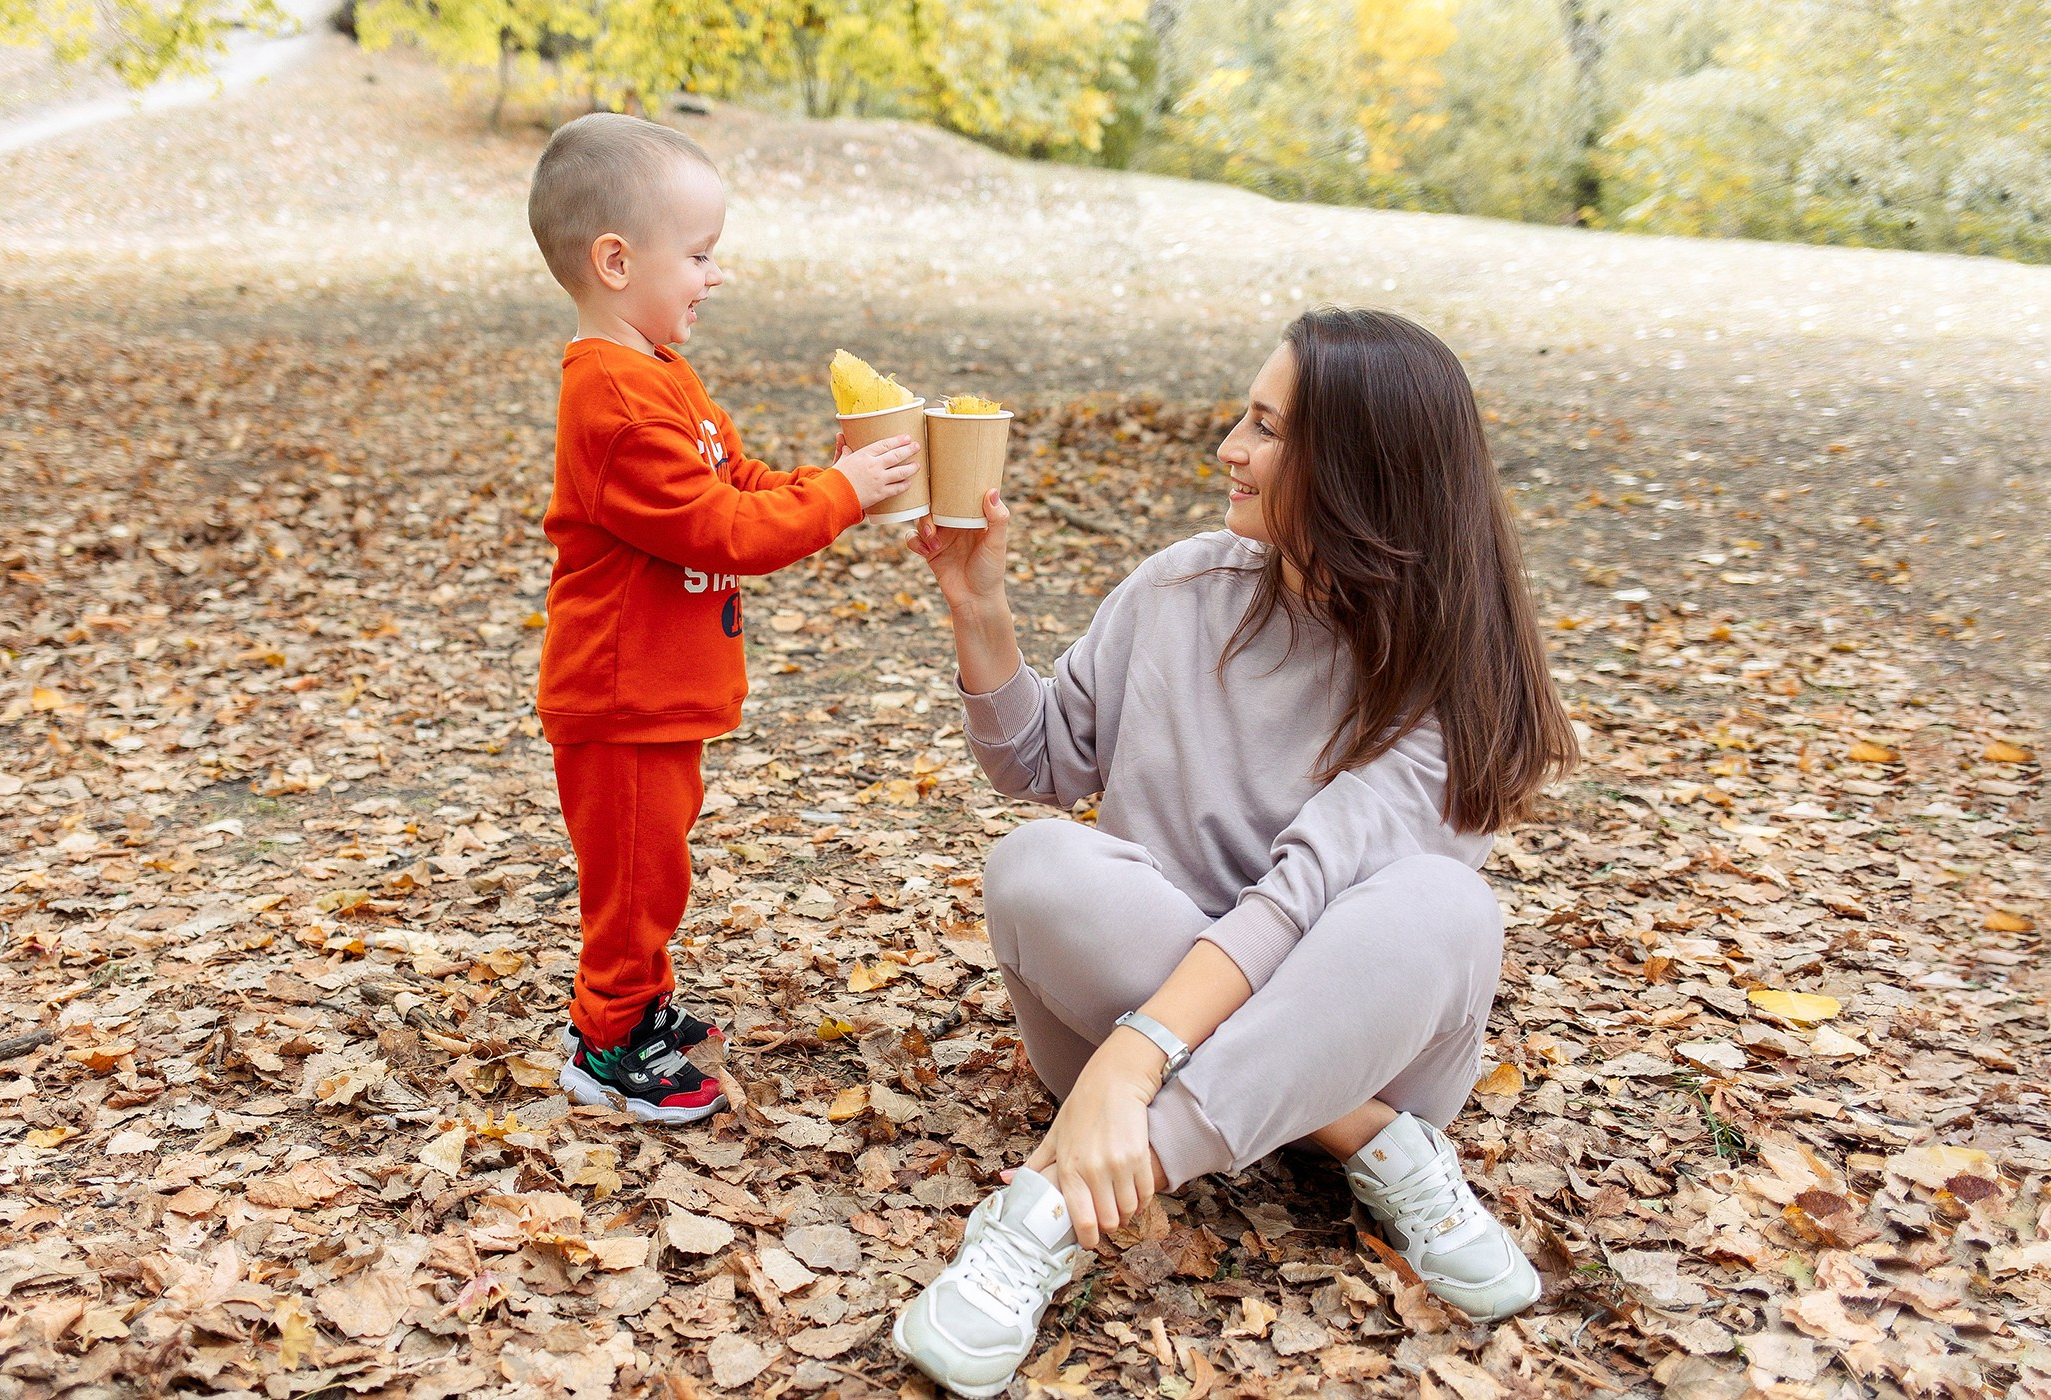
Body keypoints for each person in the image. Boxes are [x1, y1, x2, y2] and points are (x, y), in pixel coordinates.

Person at [892, 307, 1579, 1396]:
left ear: (1354, 469)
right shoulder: (1183, 588)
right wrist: (980, 607)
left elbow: (1301, 898)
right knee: (1034, 864)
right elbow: (1042, 761)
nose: (1228, 449)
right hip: (1162, 1018)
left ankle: (1046, 1211)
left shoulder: (1451, 678)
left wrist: (1131, 1061)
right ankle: (1360, 1138)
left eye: (1266, 427)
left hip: (1338, 1031)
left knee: (1445, 905)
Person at [525, 114, 920, 1123]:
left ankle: (636, 1006)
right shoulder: (612, 400)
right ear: (617, 262)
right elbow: (723, 530)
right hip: (620, 696)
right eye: (698, 255)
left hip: (662, 692)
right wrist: (838, 495)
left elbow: (734, 481)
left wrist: (830, 480)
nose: (715, 275)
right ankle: (607, 1043)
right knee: (634, 877)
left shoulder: (660, 372)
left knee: (655, 867)